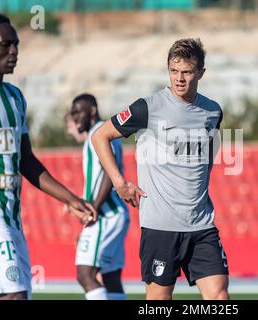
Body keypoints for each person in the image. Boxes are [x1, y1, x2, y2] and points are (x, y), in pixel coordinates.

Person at [0, 12, 96, 300]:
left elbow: (26, 160)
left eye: (17, 45)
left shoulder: (15, 98)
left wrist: (71, 199)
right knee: (13, 295)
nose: (14, 52)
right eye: (6, 45)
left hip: (11, 217)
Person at [91, 38, 229, 300]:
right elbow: (100, 136)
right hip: (161, 227)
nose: (179, 78)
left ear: (201, 72)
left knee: (219, 296)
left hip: (201, 225)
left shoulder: (212, 111)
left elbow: (209, 155)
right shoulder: (147, 107)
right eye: (173, 71)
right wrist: (120, 183)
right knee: (159, 301)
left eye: (187, 72)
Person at [68, 93, 130, 300]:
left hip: (106, 214)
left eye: (78, 111)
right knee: (111, 278)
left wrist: (94, 207)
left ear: (92, 110)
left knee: (85, 274)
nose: (75, 116)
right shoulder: (98, 134)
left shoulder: (101, 133)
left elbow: (109, 172)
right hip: (111, 213)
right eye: (72, 113)